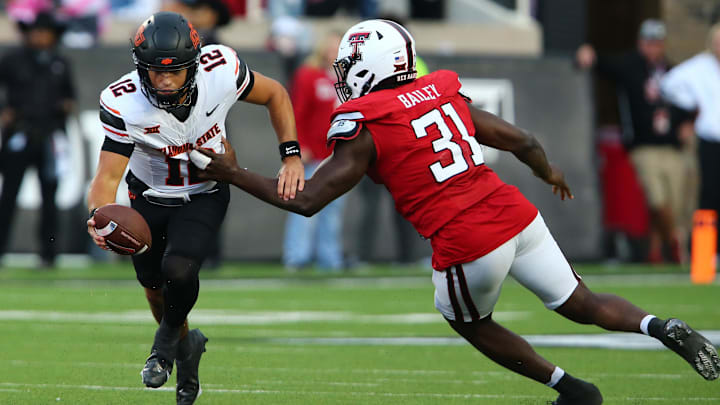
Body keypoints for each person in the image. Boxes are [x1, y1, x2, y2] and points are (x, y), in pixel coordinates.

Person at [196, 19, 720, 404]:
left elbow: (307, 201)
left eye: (351, 64)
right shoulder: (440, 90)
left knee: (468, 321)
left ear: (372, 65)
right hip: (515, 212)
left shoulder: (365, 120)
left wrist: (232, 173)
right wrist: (549, 173)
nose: (344, 74)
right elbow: (521, 139)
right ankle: (659, 326)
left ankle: (571, 389)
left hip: (465, 237)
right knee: (581, 301)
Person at [85, 11, 303, 405]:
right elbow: (107, 176)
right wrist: (98, 215)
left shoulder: (221, 70)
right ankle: (187, 353)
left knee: (179, 269)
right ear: (140, 67)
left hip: (205, 189)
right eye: (154, 71)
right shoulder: (123, 101)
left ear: (196, 64)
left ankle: (163, 347)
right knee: (154, 290)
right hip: (149, 196)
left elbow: (276, 94)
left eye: (175, 71)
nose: (165, 80)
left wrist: (290, 155)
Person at [576, 19, 688, 264]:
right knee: (657, 200)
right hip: (643, 147)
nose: (653, 48)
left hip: (672, 147)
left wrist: (687, 124)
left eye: (657, 43)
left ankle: (658, 252)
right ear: (641, 43)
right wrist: (589, 53)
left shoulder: (672, 71)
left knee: (673, 204)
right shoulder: (630, 65)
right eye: (649, 42)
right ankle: (675, 244)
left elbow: (688, 102)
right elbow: (602, 62)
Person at [0, 11, 76, 268]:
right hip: (19, 136)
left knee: (50, 199)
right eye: (36, 32)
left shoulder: (60, 63)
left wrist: (66, 106)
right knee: (8, 195)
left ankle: (49, 253)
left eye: (46, 32)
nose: (41, 37)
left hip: (49, 137)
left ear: (53, 36)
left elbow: (69, 95)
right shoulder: (12, 61)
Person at [282, 31, 346, 271]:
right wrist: (299, 145)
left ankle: (330, 258)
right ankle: (297, 256)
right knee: (303, 206)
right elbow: (297, 111)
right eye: (331, 47)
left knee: (334, 210)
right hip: (313, 154)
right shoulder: (308, 75)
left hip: (338, 156)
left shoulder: (350, 79)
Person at [661, 23, 720, 251]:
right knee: (709, 196)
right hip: (710, 140)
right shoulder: (700, 67)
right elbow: (668, 84)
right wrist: (691, 108)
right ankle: (705, 252)